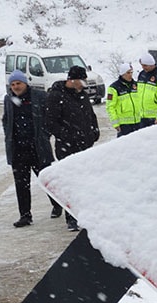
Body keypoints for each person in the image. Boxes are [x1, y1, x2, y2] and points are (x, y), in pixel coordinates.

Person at [2, 70, 63, 228]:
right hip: (18, 149)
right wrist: (9, 136)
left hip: (38, 147)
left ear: (25, 83)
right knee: (21, 184)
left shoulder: (39, 96)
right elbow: (6, 120)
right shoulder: (8, 99)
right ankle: (25, 215)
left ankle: (57, 205)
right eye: (13, 84)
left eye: (18, 83)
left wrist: (45, 134)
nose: (16, 87)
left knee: (46, 179)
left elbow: (50, 117)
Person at [46, 65, 100, 231]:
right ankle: (72, 218)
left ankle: (85, 215)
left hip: (85, 146)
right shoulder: (56, 96)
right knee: (70, 184)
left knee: (84, 184)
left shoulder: (82, 96)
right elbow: (50, 123)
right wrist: (68, 136)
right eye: (82, 80)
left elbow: (91, 116)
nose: (84, 84)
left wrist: (94, 132)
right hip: (67, 148)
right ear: (73, 80)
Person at [106, 62, 141, 136]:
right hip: (124, 124)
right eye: (128, 73)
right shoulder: (114, 88)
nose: (130, 75)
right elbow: (110, 107)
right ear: (122, 74)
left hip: (137, 122)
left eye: (131, 72)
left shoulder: (136, 85)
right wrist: (115, 123)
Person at [136, 52, 157, 128]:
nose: (143, 68)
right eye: (142, 65)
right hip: (142, 117)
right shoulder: (142, 74)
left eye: (145, 65)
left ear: (151, 64)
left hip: (155, 118)